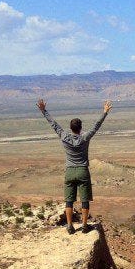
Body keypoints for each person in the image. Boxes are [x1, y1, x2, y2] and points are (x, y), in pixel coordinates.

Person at [37, 98, 111, 234]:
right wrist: (105, 112)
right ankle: (84, 225)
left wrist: (44, 111)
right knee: (84, 200)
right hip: (83, 171)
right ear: (81, 128)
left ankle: (70, 226)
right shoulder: (85, 138)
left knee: (69, 201)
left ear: (71, 128)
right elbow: (96, 126)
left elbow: (54, 124)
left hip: (70, 171)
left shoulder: (64, 136)